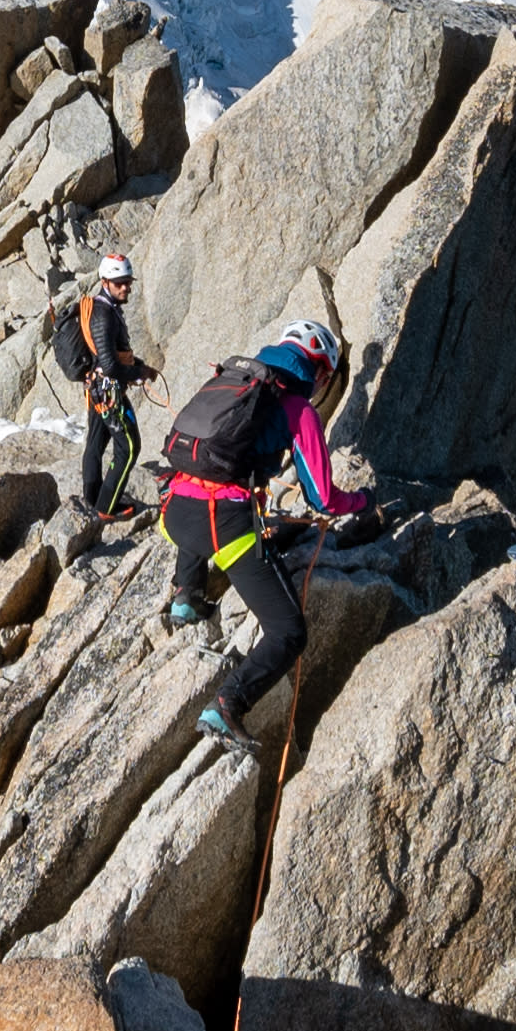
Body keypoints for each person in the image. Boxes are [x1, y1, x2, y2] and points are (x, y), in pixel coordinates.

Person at [152, 320, 367, 747]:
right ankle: (227, 705)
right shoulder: (298, 409)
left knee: (215, 506)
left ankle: (186, 599)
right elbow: (322, 499)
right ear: (318, 370)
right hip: (223, 528)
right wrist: (361, 502)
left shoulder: (233, 378)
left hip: (173, 513)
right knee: (288, 632)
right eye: (325, 375)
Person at [42, 247, 152, 521]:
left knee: (95, 443)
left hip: (97, 391)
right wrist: (139, 372)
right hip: (108, 391)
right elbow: (112, 366)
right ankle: (106, 507)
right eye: (120, 283)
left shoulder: (105, 308)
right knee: (128, 447)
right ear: (105, 283)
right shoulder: (104, 316)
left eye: (128, 282)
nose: (126, 287)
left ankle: (93, 498)